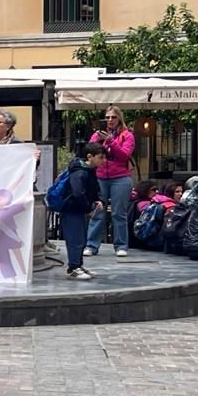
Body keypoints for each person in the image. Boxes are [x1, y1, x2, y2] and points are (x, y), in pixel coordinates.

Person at [88, 106, 136, 257]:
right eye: (107, 117)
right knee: (98, 211)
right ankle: (91, 245)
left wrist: (111, 142)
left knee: (119, 213)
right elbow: (90, 152)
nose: (110, 120)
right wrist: (99, 140)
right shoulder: (97, 135)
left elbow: (124, 155)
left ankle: (121, 246)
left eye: (113, 117)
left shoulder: (127, 136)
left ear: (119, 118)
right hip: (100, 176)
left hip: (120, 177)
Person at [60, 143, 106, 281]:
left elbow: (93, 188)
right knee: (75, 239)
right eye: (101, 157)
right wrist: (88, 207)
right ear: (90, 157)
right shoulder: (80, 172)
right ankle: (73, 267)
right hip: (72, 209)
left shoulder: (88, 170)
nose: (103, 161)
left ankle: (77, 265)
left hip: (78, 209)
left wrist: (97, 200)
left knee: (80, 238)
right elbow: (78, 193)